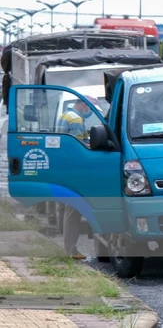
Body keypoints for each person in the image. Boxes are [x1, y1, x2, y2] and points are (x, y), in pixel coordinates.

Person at [55, 96, 97, 260]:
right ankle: (70, 250)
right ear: (83, 105)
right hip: (72, 169)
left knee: (65, 208)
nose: (89, 112)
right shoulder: (77, 120)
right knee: (74, 209)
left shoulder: (65, 115)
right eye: (89, 108)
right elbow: (79, 148)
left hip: (62, 168)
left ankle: (68, 248)